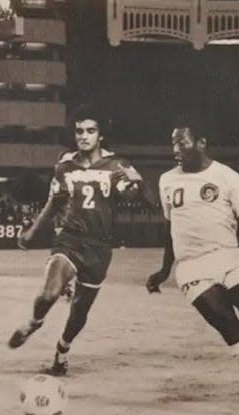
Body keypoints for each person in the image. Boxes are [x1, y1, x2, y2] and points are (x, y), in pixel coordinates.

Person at [146, 114, 239, 415]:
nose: (176, 146)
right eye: (173, 141)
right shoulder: (167, 180)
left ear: (201, 143)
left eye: (182, 141)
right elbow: (171, 229)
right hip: (191, 269)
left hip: (228, 258)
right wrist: (164, 271)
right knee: (232, 333)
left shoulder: (227, 177)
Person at [8, 105, 147, 375]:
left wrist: (135, 182)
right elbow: (54, 201)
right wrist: (33, 232)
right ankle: (35, 322)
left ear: (100, 135)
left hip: (100, 246)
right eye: (79, 131)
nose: (83, 136)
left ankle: (62, 352)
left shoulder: (117, 164)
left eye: (90, 131)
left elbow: (135, 197)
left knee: (79, 312)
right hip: (69, 240)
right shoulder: (65, 165)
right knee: (49, 293)